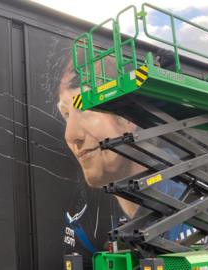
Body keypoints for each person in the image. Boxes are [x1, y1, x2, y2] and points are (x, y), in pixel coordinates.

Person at [58, 55, 191, 269]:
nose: (71, 135)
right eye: (65, 114)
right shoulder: (83, 218)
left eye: (85, 108)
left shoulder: (184, 191)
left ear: (128, 118)